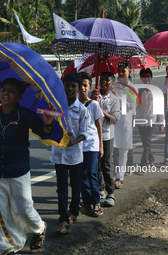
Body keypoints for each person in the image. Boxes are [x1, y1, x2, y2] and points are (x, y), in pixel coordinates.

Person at [0, 78, 52, 254]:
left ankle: (39, 228)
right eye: (3, 89)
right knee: (0, 212)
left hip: (19, 169)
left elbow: (43, 133)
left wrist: (47, 123)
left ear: (20, 97)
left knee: (23, 207)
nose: (6, 93)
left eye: (11, 91)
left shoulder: (25, 114)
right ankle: (5, 249)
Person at [50, 73, 88, 234]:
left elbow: (84, 133)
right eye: (67, 85)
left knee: (75, 186)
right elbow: (48, 127)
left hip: (75, 156)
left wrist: (73, 142)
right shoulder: (56, 106)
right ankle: (63, 219)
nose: (70, 89)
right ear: (62, 86)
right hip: (58, 155)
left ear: (79, 89)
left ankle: (74, 211)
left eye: (74, 86)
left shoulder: (82, 110)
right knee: (61, 188)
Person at [90, 72, 120, 207]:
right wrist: (91, 100)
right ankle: (100, 189)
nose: (103, 82)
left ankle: (111, 192)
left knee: (106, 165)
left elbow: (114, 120)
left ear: (112, 83)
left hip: (107, 135)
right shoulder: (93, 95)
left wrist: (100, 111)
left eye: (107, 81)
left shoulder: (114, 99)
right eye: (101, 80)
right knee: (95, 165)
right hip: (93, 135)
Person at [78, 72, 104, 216]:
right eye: (80, 85)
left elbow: (98, 125)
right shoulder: (73, 105)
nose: (82, 88)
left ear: (90, 87)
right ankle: (86, 202)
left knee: (91, 173)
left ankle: (97, 202)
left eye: (85, 85)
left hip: (92, 144)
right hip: (79, 145)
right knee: (82, 175)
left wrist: (101, 145)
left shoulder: (94, 104)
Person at [112, 61, 136, 188]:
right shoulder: (114, 85)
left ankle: (120, 177)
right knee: (112, 150)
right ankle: (111, 174)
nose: (120, 73)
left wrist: (118, 97)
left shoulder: (133, 88)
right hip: (113, 122)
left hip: (125, 123)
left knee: (123, 151)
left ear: (129, 72)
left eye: (123, 71)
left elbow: (131, 106)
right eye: (119, 70)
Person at [137, 68, 164, 170]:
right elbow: (134, 107)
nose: (146, 79)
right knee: (145, 143)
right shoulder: (139, 92)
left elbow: (160, 108)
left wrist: (161, 123)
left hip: (151, 121)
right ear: (141, 78)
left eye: (148, 76)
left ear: (151, 77)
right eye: (144, 77)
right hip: (140, 120)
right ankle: (151, 158)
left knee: (147, 142)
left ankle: (143, 164)